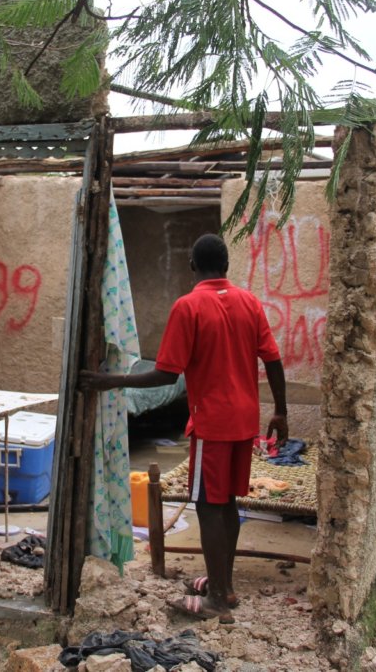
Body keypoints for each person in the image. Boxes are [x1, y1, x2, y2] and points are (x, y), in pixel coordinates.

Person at [79, 233, 288, 624]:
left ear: (192, 266)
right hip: (245, 421)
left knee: (208, 505)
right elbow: (273, 360)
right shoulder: (250, 303)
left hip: (212, 423)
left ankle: (217, 605)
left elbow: (164, 374)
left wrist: (111, 381)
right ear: (226, 266)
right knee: (227, 503)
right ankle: (223, 585)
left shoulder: (188, 306)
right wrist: (280, 411)